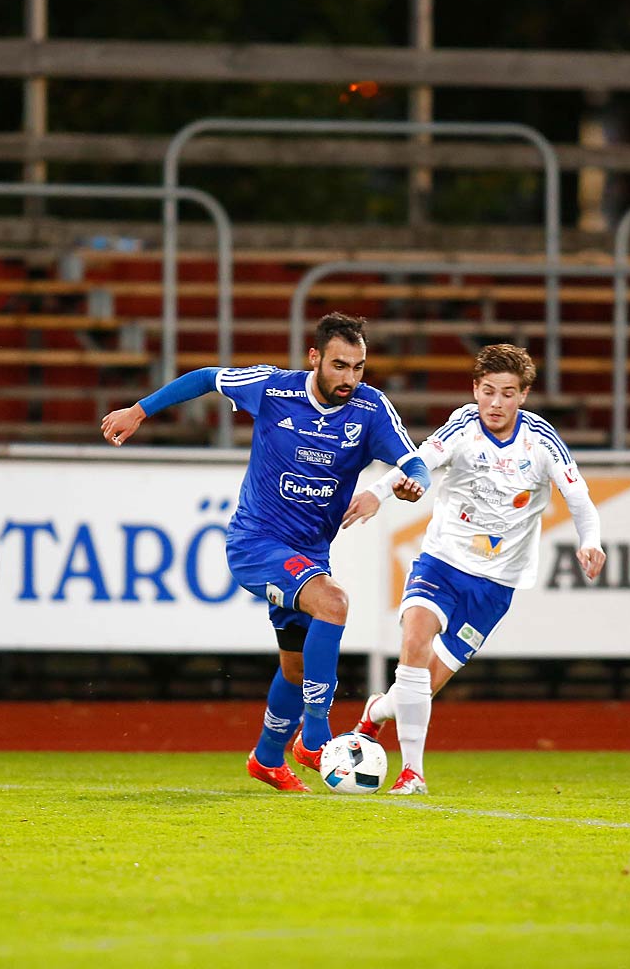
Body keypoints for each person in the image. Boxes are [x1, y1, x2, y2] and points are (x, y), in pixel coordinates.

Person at [101, 312, 430, 792]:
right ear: (314, 358)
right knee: (333, 603)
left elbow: (414, 462)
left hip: (309, 553)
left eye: (359, 367)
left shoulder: (371, 410)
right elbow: (206, 378)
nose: (350, 378)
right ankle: (315, 738)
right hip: (255, 542)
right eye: (340, 366)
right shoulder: (274, 388)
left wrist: (414, 486)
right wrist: (139, 410)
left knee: (297, 669)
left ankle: (267, 758)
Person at [339, 343, 604, 795]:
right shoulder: (463, 427)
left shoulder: (541, 442)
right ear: (474, 389)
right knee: (414, 642)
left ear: (523, 395)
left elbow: (579, 501)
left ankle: (374, 713)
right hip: (442, 561)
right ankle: (412, 773)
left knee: (420, 688)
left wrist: (591, 541)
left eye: (506, 393)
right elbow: (417, 460)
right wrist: (378, 493)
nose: (495, 403)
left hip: (497, 584)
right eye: (487, 391)